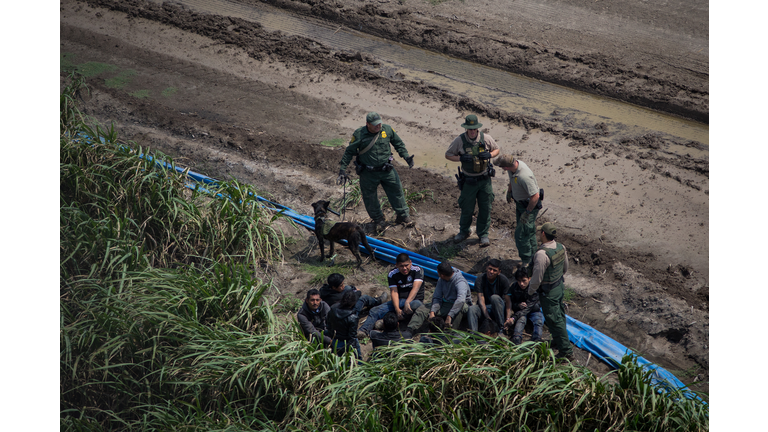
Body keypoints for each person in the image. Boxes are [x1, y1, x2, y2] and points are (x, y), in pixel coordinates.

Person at [337, 111, 415, 230]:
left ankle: (403, 216)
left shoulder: (387, 130)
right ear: (367, 124)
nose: (378, 126)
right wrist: (342, 170)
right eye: (375, 124)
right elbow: (349, 152)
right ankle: (378, 220)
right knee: (370, 197)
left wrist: (406, 156)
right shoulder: (359, 134)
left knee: (397, 191)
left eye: (379, 123)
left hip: (387, 170)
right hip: (368, 173)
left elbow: (398, 143)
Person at [444, 114, 500, 246]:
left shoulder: (486, 138)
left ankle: (483, 234)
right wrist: (461, 158)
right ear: (466, 129)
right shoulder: (460, 140)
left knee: (485, 207)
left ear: (477, 128)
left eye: (474, 129)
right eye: (470, 129)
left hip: (485, 180)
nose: (472, 131)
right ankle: (464, 231)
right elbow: (448, 155)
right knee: (467, 208)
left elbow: (497, 149)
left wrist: (490, 154)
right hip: (469, 180)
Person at [527, 222, 573, 360]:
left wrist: (529, 292)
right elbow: (565, 268)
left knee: (554, 320)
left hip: (548, 292)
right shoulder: (560, 247)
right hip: (559, 286)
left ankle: (566, 351)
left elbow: (536, 279)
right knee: (559, 315)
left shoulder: (542, 254)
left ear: (542, 234)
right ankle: (559, 341)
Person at [356, 253, 425, 338]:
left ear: (410, 262)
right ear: (396, 265)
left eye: (406, 265)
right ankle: (364, 330)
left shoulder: (418, 270)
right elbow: (394, 292)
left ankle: (387, 321)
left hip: (414, 300)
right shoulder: (392, 274)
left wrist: (407, 302)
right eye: (401, 266)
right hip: (399, 300)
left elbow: (415, 288)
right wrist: (397, 309)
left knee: (415, 306)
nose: (404, 268)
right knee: (375, 310)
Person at [495, 155, 542, 267]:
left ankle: (527, 260)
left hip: (529, 207)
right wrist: (510, 191)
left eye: (502, 167)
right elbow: (512, 178)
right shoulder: (514, 168)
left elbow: (535, 196)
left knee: (521, 235)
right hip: (520, 205)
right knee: (529, 232)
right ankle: (534, 256)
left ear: (506, 167)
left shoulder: (524, 176)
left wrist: (527, 212)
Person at [407, 262, 472, 332]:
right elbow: (437, 297)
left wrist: (450, 315)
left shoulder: (460, 282)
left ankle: (450, 334)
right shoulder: (441, 280)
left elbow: (461, 300)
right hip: (447, 303)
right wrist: (432, 311)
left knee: (460, 308)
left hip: (461, 305)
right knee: (423, 309)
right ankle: (410, 330)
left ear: (442, 275)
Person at [467, 259, 510, 332]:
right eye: (490, 269)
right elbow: (481, 300)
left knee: (494, 298)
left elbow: (508, 302)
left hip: (498, 309)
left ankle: (501, 329)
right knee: (472, 309)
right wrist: (488, 317)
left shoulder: (503, 280)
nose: (491, 272)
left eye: (494, 270)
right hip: (485, 309)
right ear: (486, 268)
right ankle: (473, 334)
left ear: (499, 272)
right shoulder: (480, 279)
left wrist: (508, 319)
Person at [504, 267, 544, 345]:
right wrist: (518, 305)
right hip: (520, 312)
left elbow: (531, 306)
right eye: (519, 281)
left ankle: (537, 339)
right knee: (521, 320)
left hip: (533, 310)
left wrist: (513, 318)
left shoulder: (534, 287)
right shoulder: (514, 287)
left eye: (524, 281)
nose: (521, 284)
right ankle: (516, 338)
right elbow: (510, 302)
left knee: (538, 320)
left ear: (529, 278)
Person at [319, 273, 387, 315]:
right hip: (346, 314)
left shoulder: (324, 289)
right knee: (364, 298)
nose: (343, 286)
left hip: (341, 309)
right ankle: (378, 301)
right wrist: (357, 292)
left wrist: (352, 288)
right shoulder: (335, 297)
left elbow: (347, 288)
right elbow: (355, 297)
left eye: (343, 284)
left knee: (348, 288)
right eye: (341, 285)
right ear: (334, 287)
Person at [327, 290, 363, 359]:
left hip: (335, 340)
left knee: (339, 359)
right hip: (346, 342)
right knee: (355, 360)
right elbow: (352, 337)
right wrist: (353, 354)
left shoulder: (333, 308)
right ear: (353, 303)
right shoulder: (353, 318)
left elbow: (328, 324)